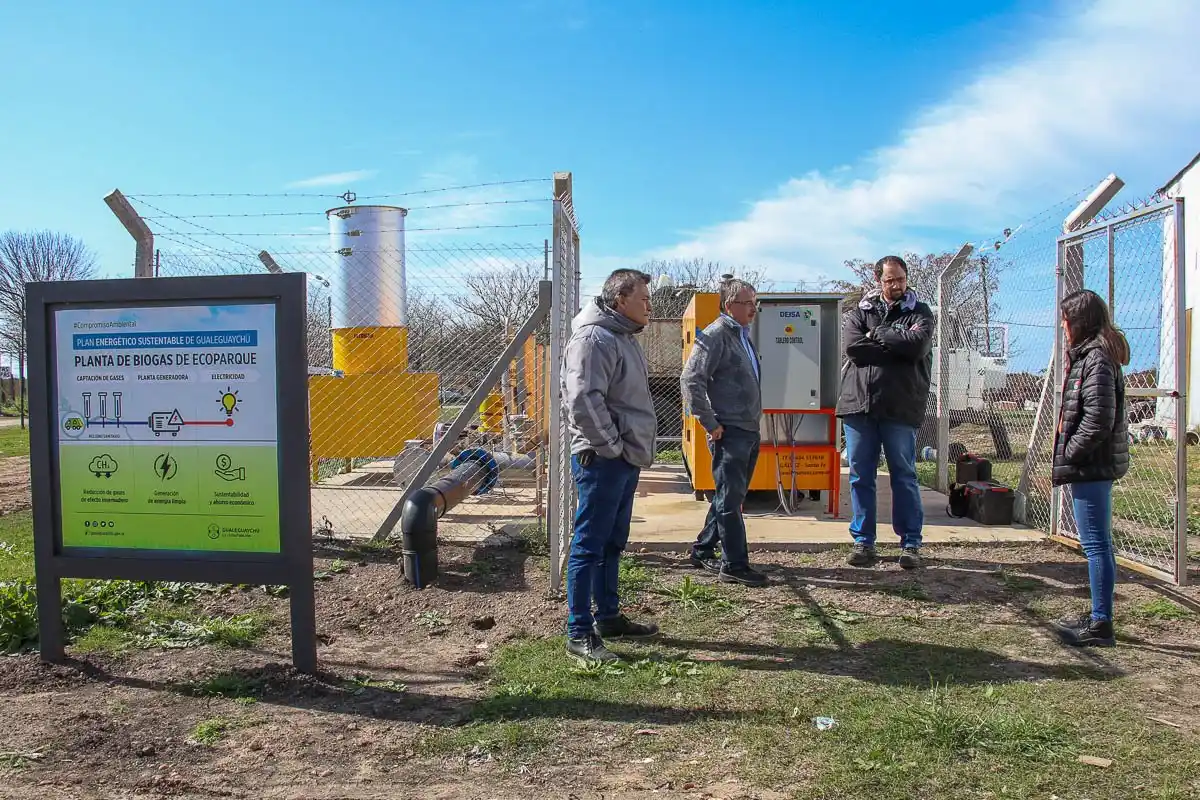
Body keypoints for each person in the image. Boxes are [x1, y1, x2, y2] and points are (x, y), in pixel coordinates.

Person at [560, 268, 660, 663]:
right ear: (620, 299)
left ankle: (609, 617)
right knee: (589, 544)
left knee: (612, 541)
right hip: (603, 458)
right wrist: (612, 446)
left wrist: (625, 449)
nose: (650, 306)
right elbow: (583, 400)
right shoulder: (593, 338)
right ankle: (579, 632)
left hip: (622, 456)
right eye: (644, 299)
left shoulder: (621, 336)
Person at [836, 255, 935, 569]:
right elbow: (855, 350)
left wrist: (877, 334)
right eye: (890, 280)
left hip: (900, 406)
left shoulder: (920, 312)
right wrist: (896, 343)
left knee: (904, 476)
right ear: (878, 280)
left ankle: (910, 543)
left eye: (901, 279)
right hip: (859, 406)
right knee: (860, 475)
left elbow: (917, 348)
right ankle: (863, 542)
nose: (896, 285)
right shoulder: (857, 313)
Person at [1050, 289, 1130, 648]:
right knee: (1096, 544)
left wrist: (1073, 451)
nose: (1063, 326)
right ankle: (1099, 614)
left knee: (1096, 545)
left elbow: (1098, 418)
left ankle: (1101, 624)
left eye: (1066, 320)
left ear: (1080, 322)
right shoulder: (1089, 354)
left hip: (1092, 467)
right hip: (1090, 465)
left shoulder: (1096, 358)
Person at [680, 277, 768, 587]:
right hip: (729, 430)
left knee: (728, 495)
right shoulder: (717, 334)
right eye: (747, 304)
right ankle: (734, 565)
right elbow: (691, 380)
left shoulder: (742, 334)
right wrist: (710, 423)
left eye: (754, 303)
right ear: (729, 306)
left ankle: (703, 549)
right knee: (731, 501)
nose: (753, 310)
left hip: (747, 428)